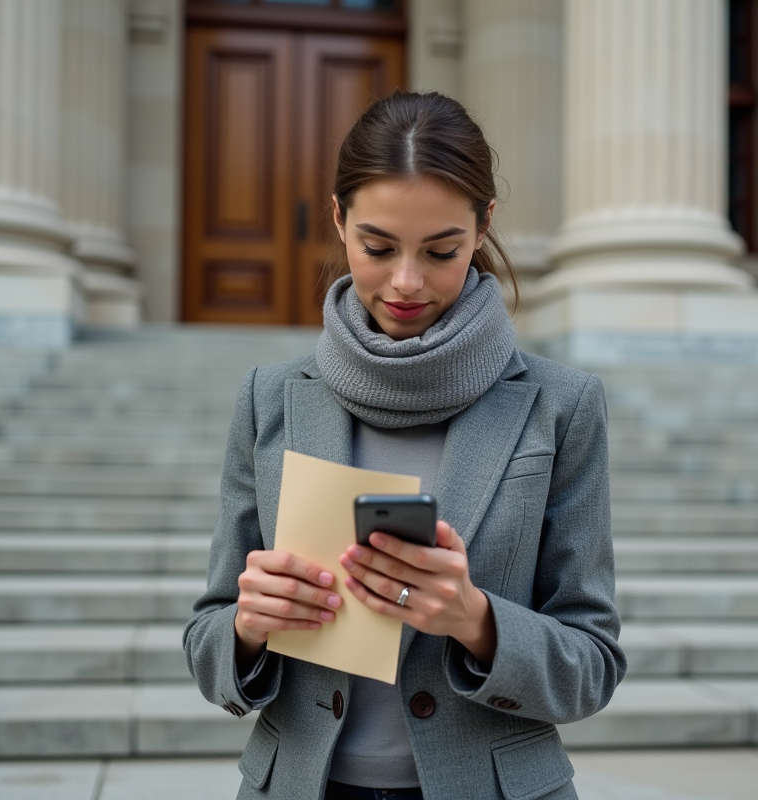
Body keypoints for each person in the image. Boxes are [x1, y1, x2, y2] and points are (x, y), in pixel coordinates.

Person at [184, 90, 625, 800]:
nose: (407, 282)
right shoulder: (271, 397)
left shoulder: (561, 407)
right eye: (378, 247)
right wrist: (245, 627)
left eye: (442, 250)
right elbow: (206, 637)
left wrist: (477, 622)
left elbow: (593, 665)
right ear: (338, 219)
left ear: (483, 226)